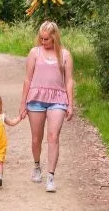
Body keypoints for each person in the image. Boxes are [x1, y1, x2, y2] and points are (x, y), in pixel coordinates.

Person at [19, 19, 75, 193]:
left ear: (55, 38)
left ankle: (50, 176)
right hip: (36, 98)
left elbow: (69, 81)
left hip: (58, 99)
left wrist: (70, 104)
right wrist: (23, 103)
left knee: (53, 136)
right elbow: (27, 79)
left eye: (47, 39)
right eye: (41, 39)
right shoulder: (34, 53)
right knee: (36, 138)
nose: (43, 42)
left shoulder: (65, 55)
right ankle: (37, 166)